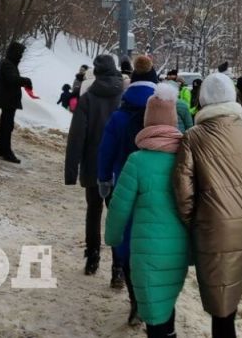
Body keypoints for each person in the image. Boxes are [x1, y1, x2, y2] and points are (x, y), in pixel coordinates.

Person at [173, 73, 242, 338]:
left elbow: (183, 189)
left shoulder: (193, 136)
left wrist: (193, 221)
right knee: (228, 296)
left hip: (211, 226)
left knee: (220, 299)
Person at [105, 84, 190, 337]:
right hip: (179, 250)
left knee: (153, 309)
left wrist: (113, 238)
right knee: (167, 300)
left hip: (146, 252)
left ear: (147, 121)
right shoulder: (186, 158)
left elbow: (119, 207)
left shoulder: (138, 161)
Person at [98, 55, 158, 323]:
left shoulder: (120, 116)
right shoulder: (165, 114)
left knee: (127, 241)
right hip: (158, 189)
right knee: (155, 243)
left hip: (125, 185)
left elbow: (105, 152)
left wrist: (103, 180)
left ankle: (135, 301)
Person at [64, 55, 124, 278]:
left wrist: (71, 171)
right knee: (116, 215)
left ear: (96, 73)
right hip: (118, 166)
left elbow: (76, 137)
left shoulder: (87, 99)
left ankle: (92, 258)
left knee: (94, 211)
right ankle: (118, 267)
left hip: (93, 163)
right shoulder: (123, 96)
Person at [0, 42, 33, 164]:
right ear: (14, 52)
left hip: (9, 100)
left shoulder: (10, 63)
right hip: (8, 101)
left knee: (6, 126)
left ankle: (2, 151)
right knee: (7, 127)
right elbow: (12, 80)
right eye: (20, 53)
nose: (21, 56)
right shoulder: (7, 64)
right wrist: (26, 80)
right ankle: (6, 152)